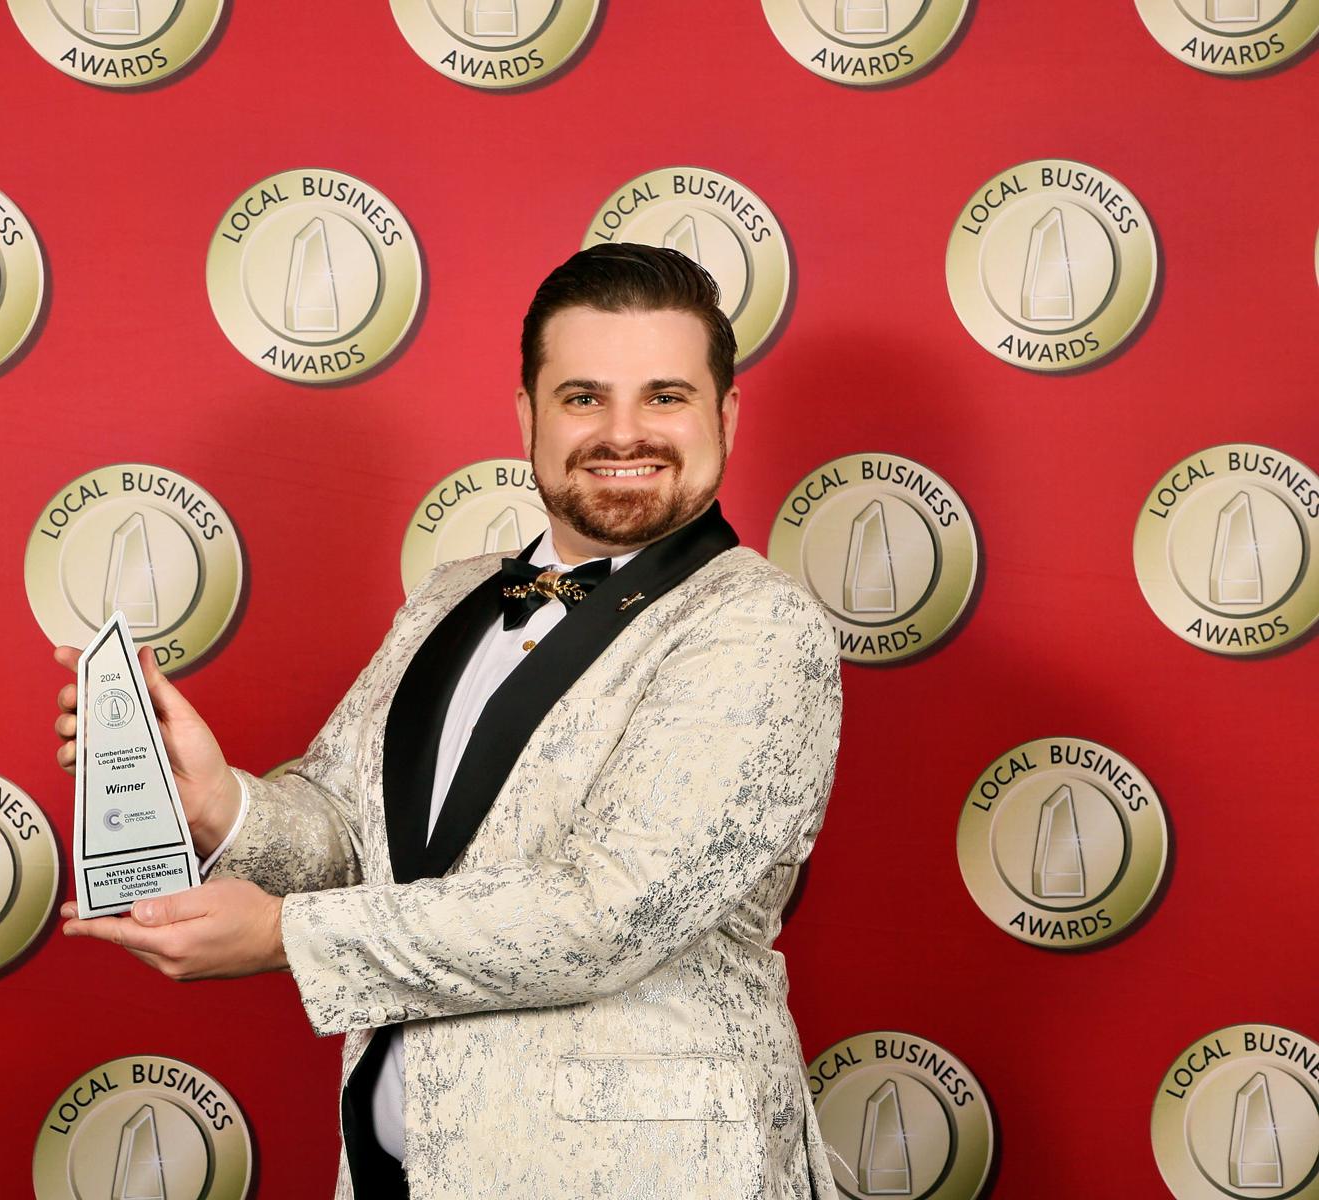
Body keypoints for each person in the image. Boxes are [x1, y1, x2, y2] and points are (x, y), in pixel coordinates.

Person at [53, 243, 843, 1199]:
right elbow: (352, 838)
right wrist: (221, 801)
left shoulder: (757, 623)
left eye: (665, 396)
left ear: (724, 415)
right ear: (529, 417)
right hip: (406, 1170)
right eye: (584, 397)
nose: (624, 433)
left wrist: (283, 938)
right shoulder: (451, 595)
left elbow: (609, 915)